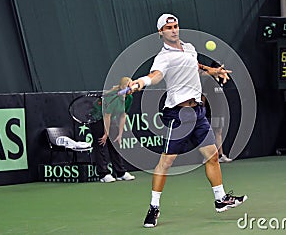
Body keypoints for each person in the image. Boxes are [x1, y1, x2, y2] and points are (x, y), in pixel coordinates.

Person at [130, 13, 247, 228]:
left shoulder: (189, 47)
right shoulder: (163, 58)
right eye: (169, 28)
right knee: (166, 162)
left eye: (175, 26)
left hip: (199, 113)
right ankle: (154, 207)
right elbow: (156, 75)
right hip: (178, 114)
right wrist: (141, 82)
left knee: (212, 157)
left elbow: (195, 65)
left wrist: (212, 70)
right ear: (161, 32)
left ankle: (220, 199)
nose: (174, 30)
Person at [90, 77, 135, 183]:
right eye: (129, 85)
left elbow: (123, 116)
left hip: (110, 119)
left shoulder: (129, 98)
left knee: (115, 144)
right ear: (123, 86)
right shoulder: (113, 96)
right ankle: (103, 174)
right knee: (101, 143)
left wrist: (120, 134)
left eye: (132, 85)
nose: (131, 88)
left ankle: (120, 173)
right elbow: (107, 116)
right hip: (97, 118)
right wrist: (106, 134)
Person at [202, 61, 232, 163]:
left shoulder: (219, 81)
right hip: (212, 112)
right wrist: (202, 110)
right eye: (218, 68)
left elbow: (225, 79)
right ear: (214, 69)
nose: (221, 70)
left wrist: (224, 76)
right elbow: (203, 98)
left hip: (220, 111)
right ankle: (208, 156)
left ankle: (220, 155)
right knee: (210, 134)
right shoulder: (209, 82)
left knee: (218, 132)